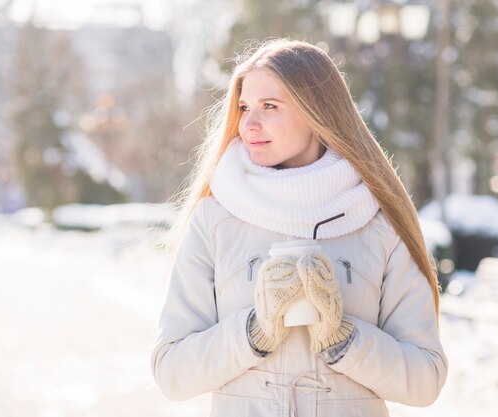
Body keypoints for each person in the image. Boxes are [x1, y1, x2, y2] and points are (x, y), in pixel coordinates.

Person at [151, 39, 447, 417]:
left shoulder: (377, 221)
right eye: (244, 107)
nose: (249, 124)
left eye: (270, 106)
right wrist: (253, 332)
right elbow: (171, 372)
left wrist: (345, 339)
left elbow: (426, 380)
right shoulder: (214, 218)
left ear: (316, 111)